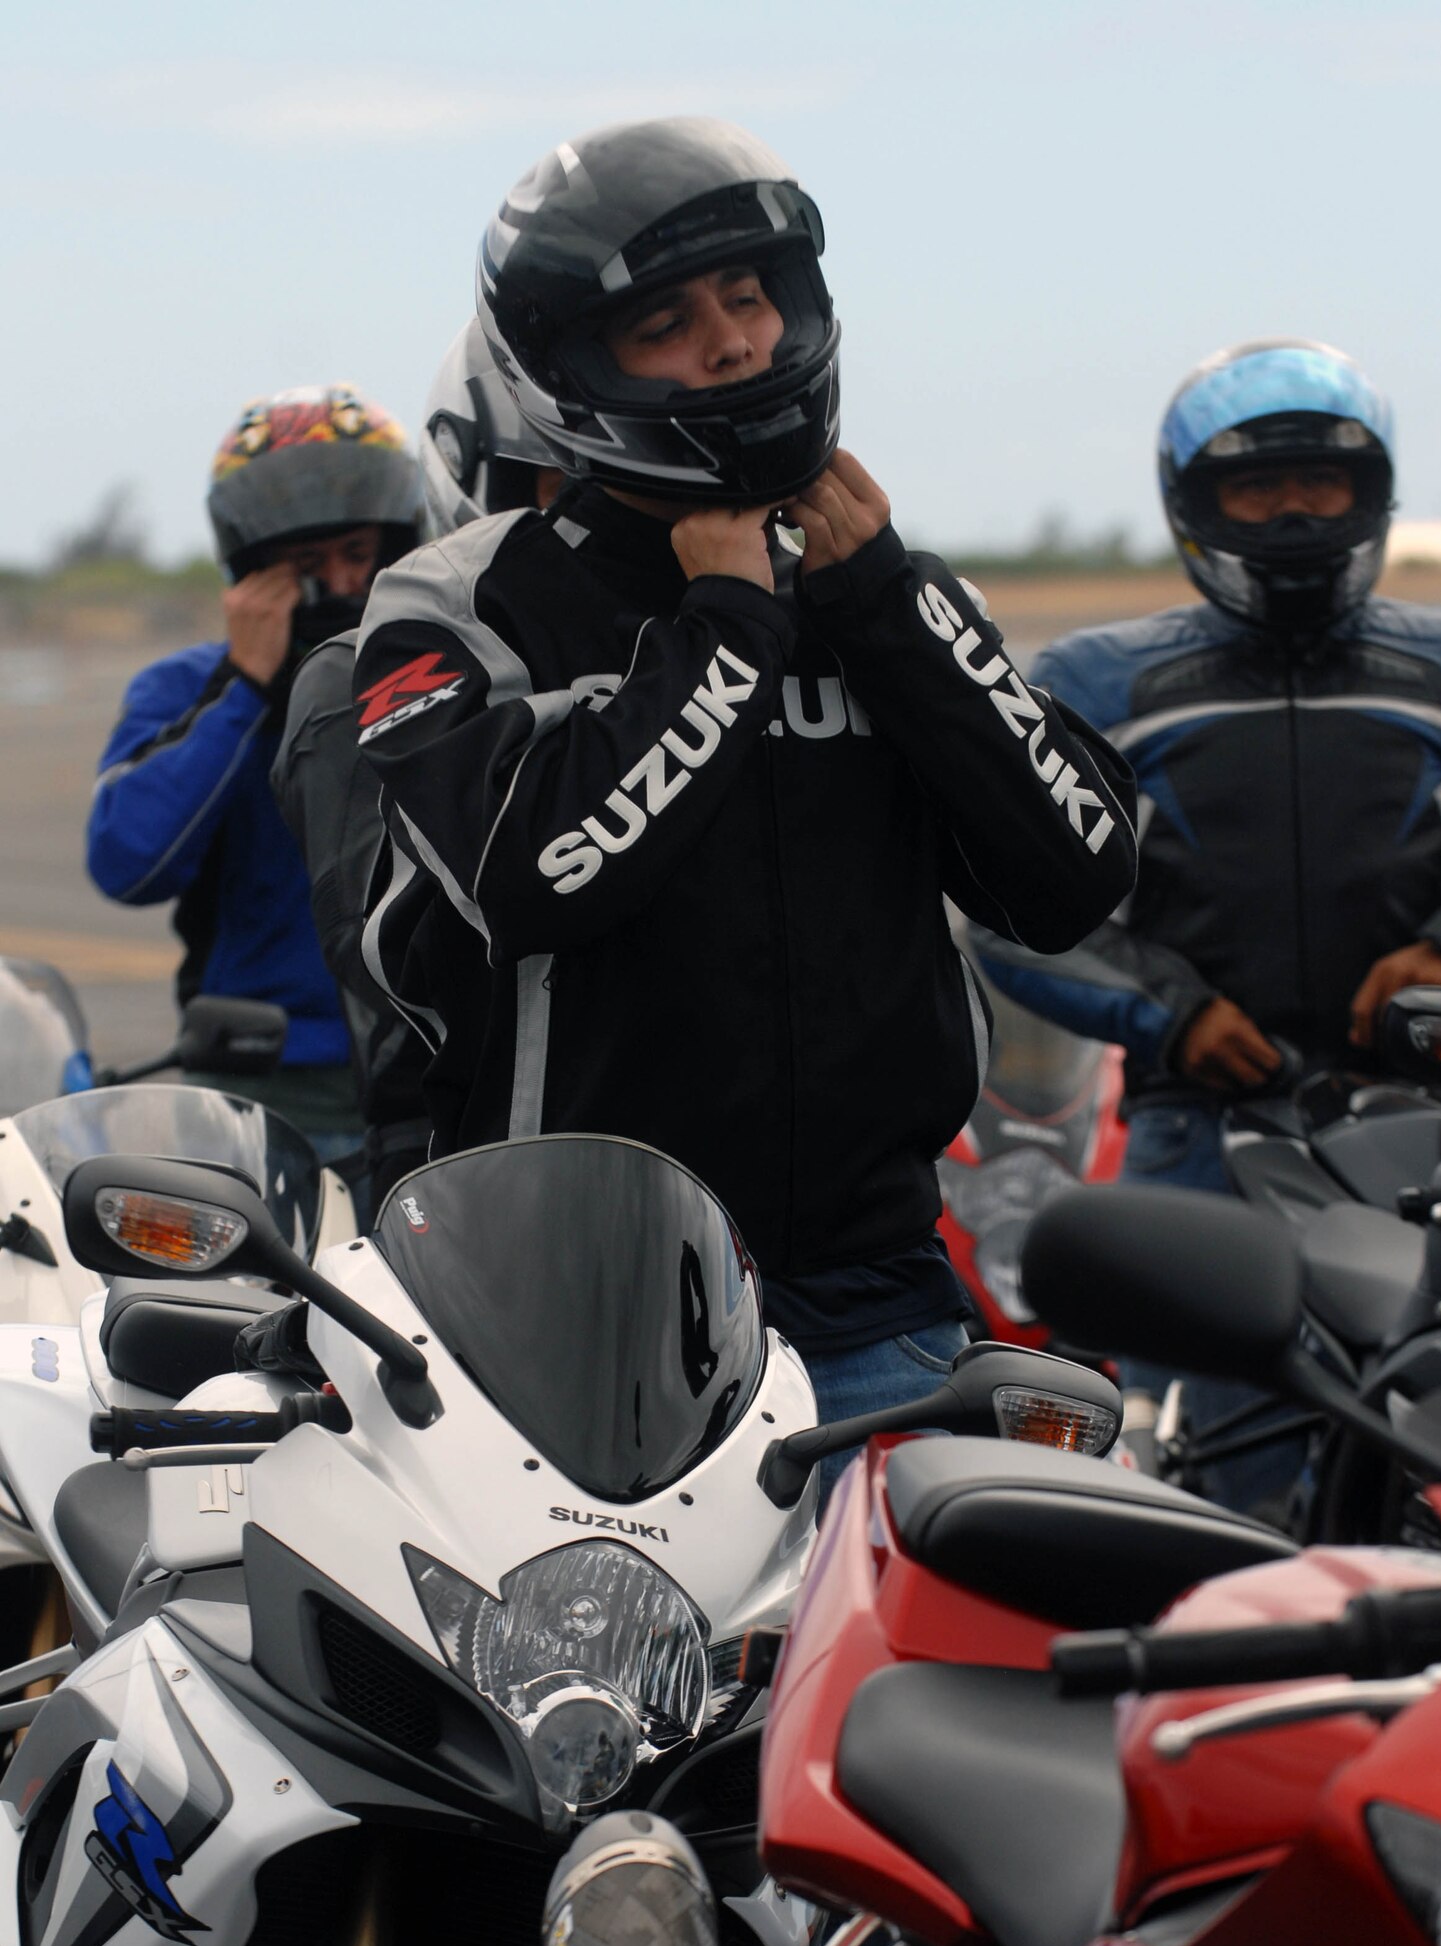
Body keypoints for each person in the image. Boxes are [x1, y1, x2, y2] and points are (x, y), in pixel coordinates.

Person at [350, 117, 1137, 1474]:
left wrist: (885, 605)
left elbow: (1080, 873)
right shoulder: (463, 603)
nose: (732, 346)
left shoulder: (880, 590)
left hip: (880, 1308)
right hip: (572, 1327)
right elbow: (540, 877)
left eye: (749, 297)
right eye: (665, 324)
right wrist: (724, 628)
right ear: (570, 366)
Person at [973, 338, 1441, 1507]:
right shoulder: (1099, 682)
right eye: (1258, 487)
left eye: (1321, 482)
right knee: (1205, 1491)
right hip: (1198, 1132)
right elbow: (1005, 903)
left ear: (1371, 494)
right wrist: (1170, 1013)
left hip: (1435, 1126)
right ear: (1193, 504)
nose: (1293, 512)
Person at [86, 384, 423, 1178]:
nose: (339, 582)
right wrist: (245, 688)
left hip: (430, 1072)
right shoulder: (188, 689)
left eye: (357, 553)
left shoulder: (442, 671)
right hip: (265, 1091)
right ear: (256, 571)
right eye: (306, 565)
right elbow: (126, 862)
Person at [272, 326, 563, 1210]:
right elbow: (377, 946)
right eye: (558, 485)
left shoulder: (712, 641)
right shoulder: (352, 673)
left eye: (355, 555)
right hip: (448, 1150)